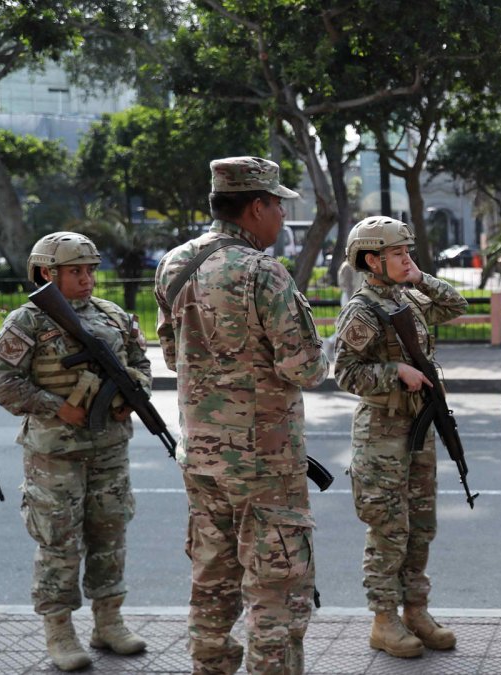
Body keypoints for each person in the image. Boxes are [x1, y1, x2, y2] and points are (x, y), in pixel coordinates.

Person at [154, 156, 328, 674]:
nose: (280, 216)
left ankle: (209, 666)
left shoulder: (174, 263)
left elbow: (170, 353)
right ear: (256, 207)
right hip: (263, 465)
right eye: (277, 205)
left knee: (212, 580)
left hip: (201, 457)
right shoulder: (262, 272)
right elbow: (306, 368)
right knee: (276, 591)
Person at [0, 232, 150, 671]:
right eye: (76, 271)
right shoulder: (28, 322)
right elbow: (0, 382)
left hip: (109, 449)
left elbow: (142, 363)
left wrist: (129, 392)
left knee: (109, 534)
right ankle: (59, 630)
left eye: (90, 270)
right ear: (46, 273)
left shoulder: (114, 316)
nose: (88, 280)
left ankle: (108, 622)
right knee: (58, 542)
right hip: (54, 454)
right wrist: (54, 406)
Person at [333, 216, 467, 658]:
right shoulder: (363, 309)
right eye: (398, 254)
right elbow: (344, 372)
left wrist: (420, 277)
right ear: (372, 260)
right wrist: (395, 372)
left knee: (421, 526)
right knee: (389, 529)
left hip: (418, 431)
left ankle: (416, 609)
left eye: (408, 251)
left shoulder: (409, 295)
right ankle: (383, 620)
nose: (407, 258)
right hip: (382, 436)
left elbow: (456, 306)